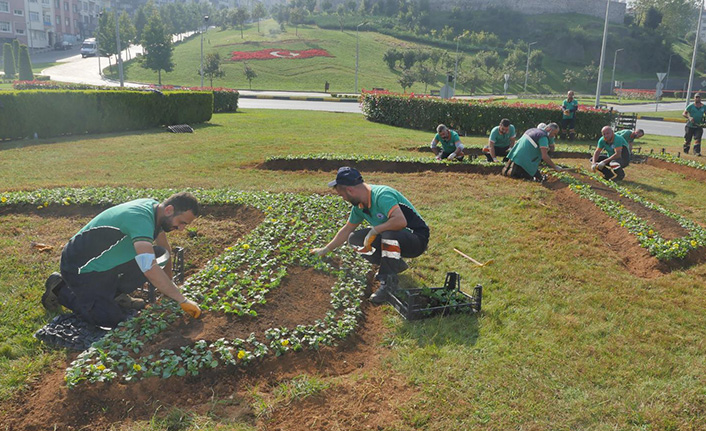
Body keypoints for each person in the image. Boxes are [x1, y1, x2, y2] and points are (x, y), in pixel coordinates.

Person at [41, 192, 202, 328]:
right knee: (109, 320)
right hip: (81, 268)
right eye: (181, 223)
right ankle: (59, 287)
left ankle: (114, 294)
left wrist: (171, 286)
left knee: (160, 254)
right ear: (169, 210)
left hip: (106, 263)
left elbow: (164, 247)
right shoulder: (140, 219)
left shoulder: (157, 212)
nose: (181, 229)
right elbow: (149, 269)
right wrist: (181, 299)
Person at [311, 167, 429, 304]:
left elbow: (400, 221)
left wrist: (375, 230)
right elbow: (347, 229)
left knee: (388, 234)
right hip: (394, 238)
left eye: (342, 194)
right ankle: (395, 264)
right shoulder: (360, 206)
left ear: (350, 190)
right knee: (355, 239)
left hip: (416, 239)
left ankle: (388, 285)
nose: (343, 198)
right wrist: (325, 249)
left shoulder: (382, 196)